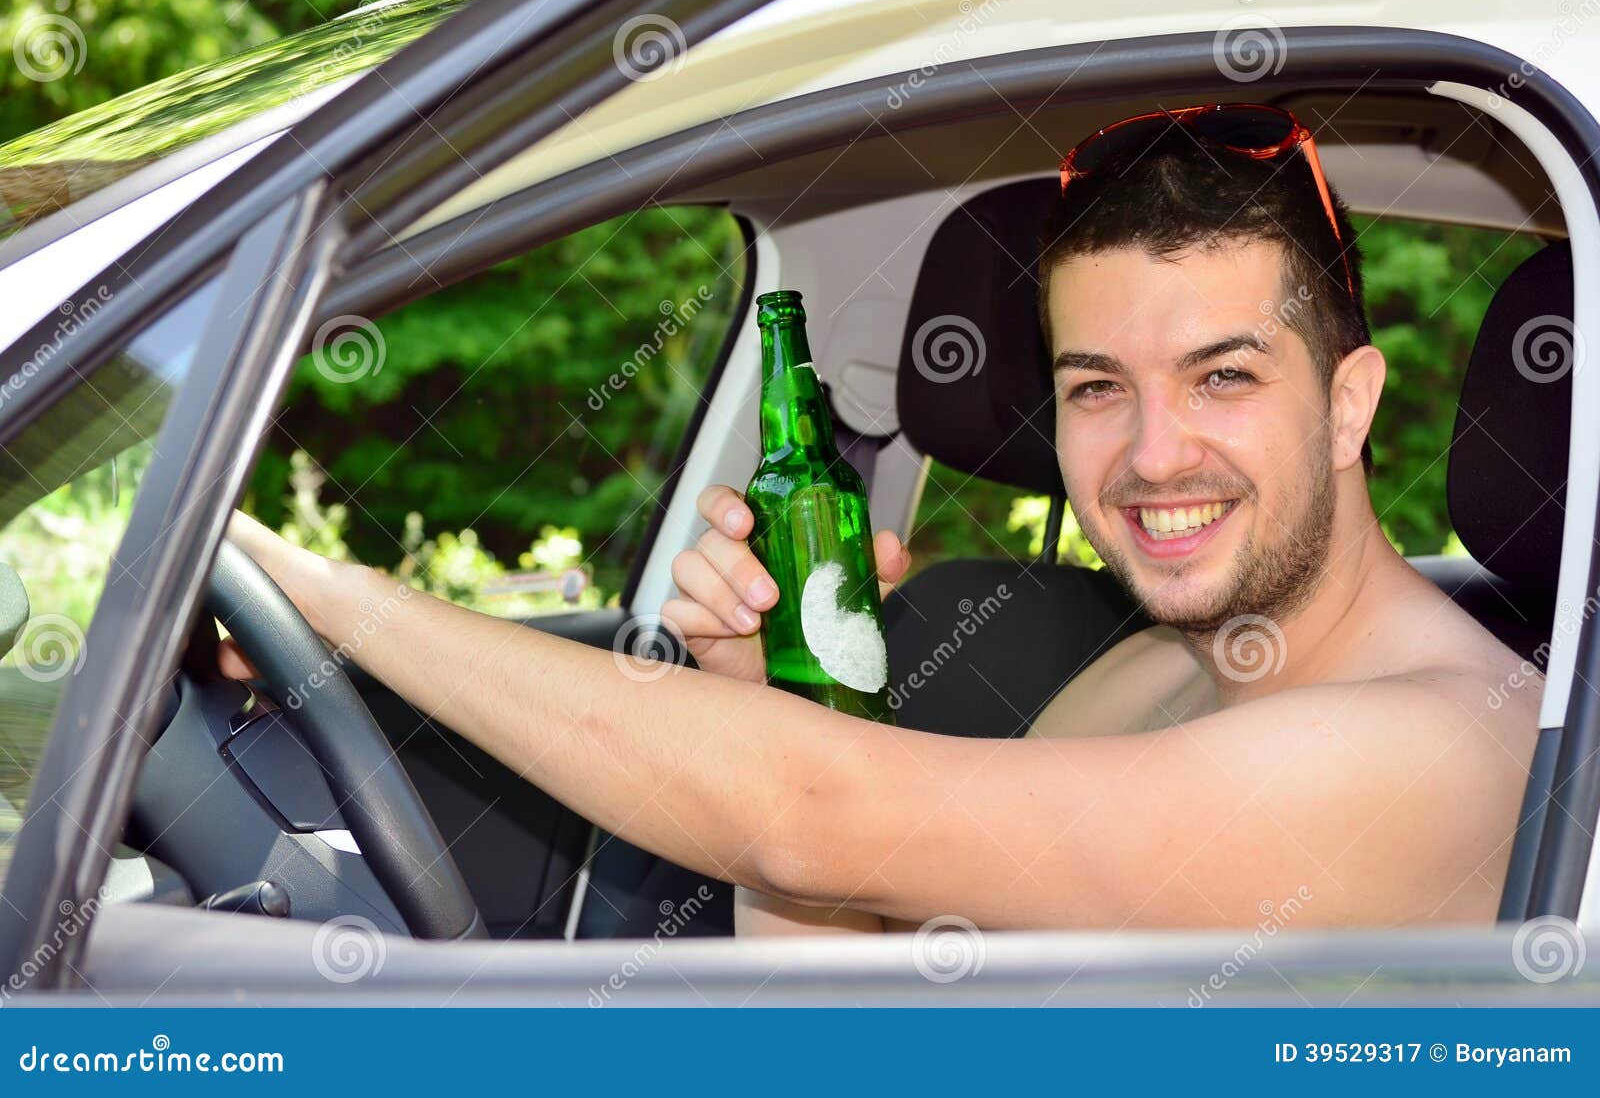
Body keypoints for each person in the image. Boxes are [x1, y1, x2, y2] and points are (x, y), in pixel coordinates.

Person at [222, 105, 1540, 935]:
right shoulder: (1154, 666)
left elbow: (819, 819)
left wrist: (334, 597)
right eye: (1096, 387)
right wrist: (765, 691)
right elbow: (835, 977)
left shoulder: (1435, 744)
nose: (1150, 452)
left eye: (1224, 375)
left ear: (1350, 403)